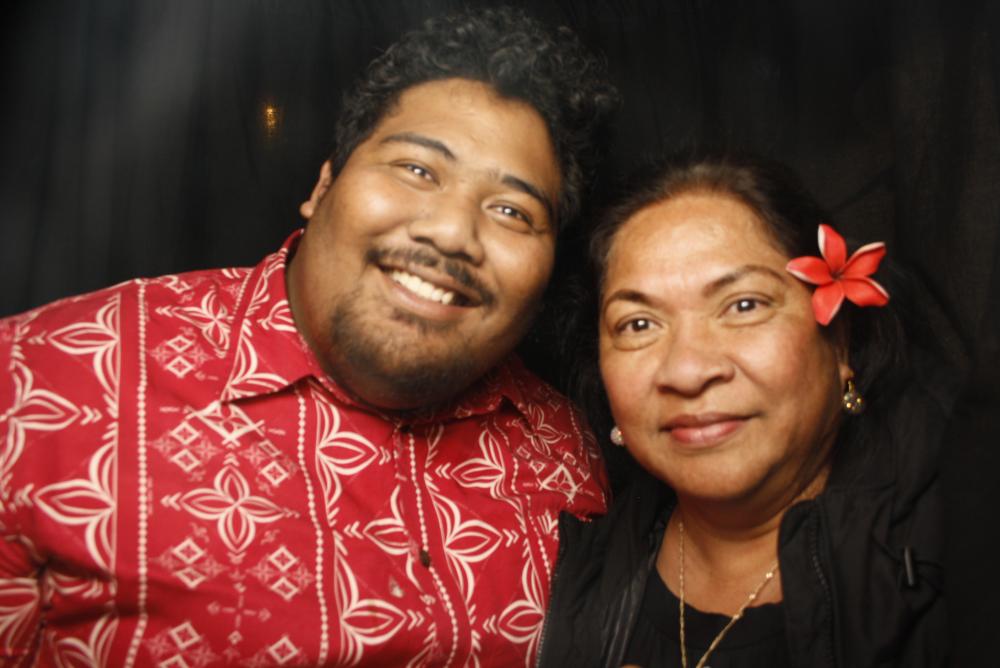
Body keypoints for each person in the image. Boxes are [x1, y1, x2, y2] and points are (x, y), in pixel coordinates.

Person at [0, 7, 617, 666]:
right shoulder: (38, 382)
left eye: (511, 211)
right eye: (417, 170)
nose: (451, 233)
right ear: (324, 186)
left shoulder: (570, 452)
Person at [537, 154, 954, 667]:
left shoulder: (953, 542)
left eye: (743, 305)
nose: (688, 371)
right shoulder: (568, 574)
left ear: (840, 343)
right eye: (638, 324)